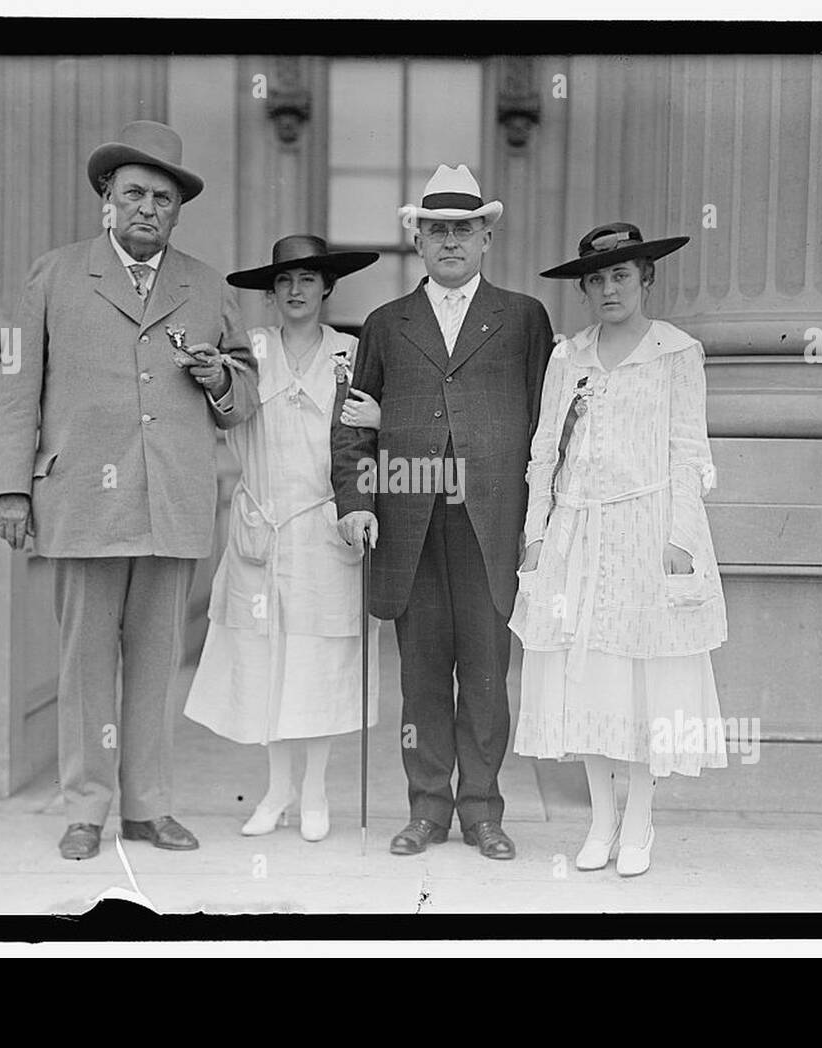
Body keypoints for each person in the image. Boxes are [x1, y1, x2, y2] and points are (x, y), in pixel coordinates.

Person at [0, 120, 260, 861]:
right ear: (107, 199)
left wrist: (219, 378)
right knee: (83, 664)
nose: (147, 207)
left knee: (154, 661)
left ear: (177, 210)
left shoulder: (205, 284)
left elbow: (243, 393)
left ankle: (147, 809)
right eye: (133, 193)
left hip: (170, 500)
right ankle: (86, 808)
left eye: (163, 198)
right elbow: (18, 389)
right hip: (81, 499)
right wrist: (10, 491)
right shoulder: (55, 274)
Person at [332, 164, 554, 860]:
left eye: (463, 230)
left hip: (493, 523)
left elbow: (547, 429)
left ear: (485, 237)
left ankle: (483, 812)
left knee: (487, 675)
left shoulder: (521, 317)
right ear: (418, 241)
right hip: (411, 522)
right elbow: (353, 424)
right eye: (436, 231)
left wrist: (543, 525)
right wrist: (355, 501)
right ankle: (426, 810)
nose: (450, 242)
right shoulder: (386, 323)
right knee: (423, 675)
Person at [510, 222, 729, 876]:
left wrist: (680, 540)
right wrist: (534, 536)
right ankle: (601, 820)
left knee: (641, 680)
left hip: (647, 532)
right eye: (597, 279)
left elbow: (689, 452)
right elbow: (546, 448)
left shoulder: (675, 353)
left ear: (646, 280)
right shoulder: (567, 356)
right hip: (577, 536)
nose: (609, 289)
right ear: (583, 288)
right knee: (586, 682)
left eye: (621, 276)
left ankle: (639, 822)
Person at [185, 235, 381, 843]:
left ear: (327, 288)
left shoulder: (351, 354)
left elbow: (371, 442)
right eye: (284, 281)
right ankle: (277, 791)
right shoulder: (249, 351)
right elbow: (224, 411)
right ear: (270, 294)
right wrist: (215, 377)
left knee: (319, 663)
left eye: (307, 279)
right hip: (261, 524)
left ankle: (317, 790)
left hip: (326, 526)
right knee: (267, 659)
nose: (296, 290)